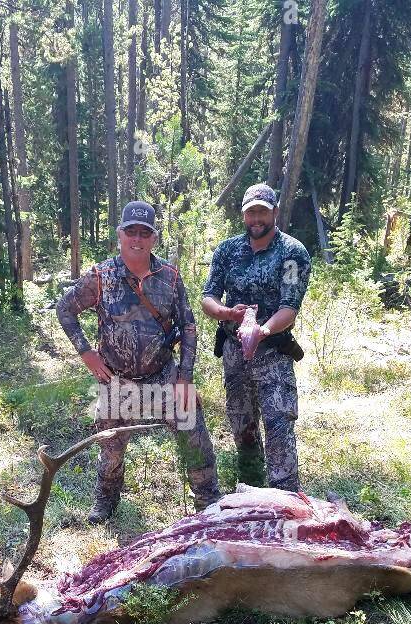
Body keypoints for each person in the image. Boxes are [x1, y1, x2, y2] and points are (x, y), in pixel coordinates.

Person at [57, 200, 223, 524]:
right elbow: (65, 309)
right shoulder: (100, 276)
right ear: (120, 234)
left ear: (153, 238)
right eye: (130, 231)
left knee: (193, 426)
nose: (137, 239)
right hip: (115, 381)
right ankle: (106, 500)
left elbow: (188, 326)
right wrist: (86, 353)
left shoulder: (170, 277)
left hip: (162, 375)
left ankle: (208, 502)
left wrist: (185, 378)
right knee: (111, 450)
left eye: (144, 233)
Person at [201, 183, 312, 492]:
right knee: (243, 426)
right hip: (236, 354)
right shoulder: (227, 251)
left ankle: (286, 502)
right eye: (251, 213)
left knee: (279, 427)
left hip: (273, 354)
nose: (257, 219)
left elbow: (289, 308)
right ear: (243, 216)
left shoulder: (292, 253)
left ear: (275, 212)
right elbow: (208, 297)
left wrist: (261, 330)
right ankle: (249, 496)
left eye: (263, 211)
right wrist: (227, 314)